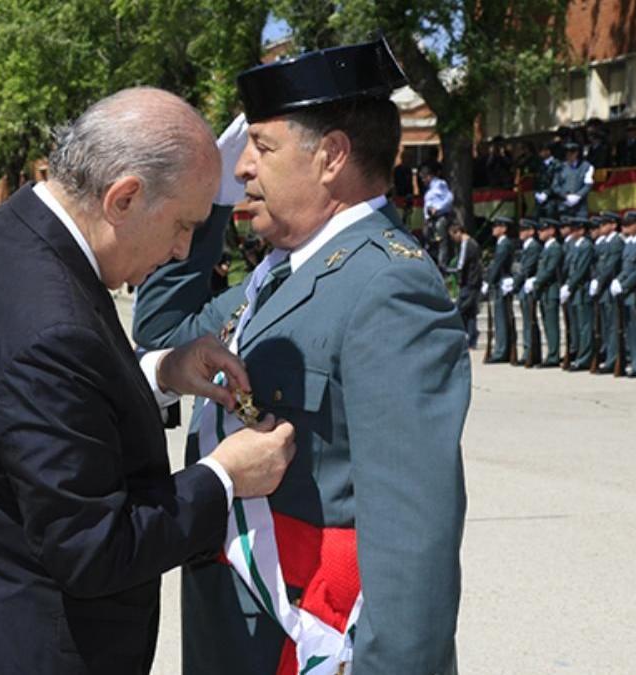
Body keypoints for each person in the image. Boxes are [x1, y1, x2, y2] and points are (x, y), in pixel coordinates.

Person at [0, 88, 300, 674]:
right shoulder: (52, 322)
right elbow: (94, 547)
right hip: (19, 649)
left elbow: (29, 406)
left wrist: (162, 370)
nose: (184, 251)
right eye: (183, 225)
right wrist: (224, 478)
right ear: (124, 197)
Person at [133, 38, 469, 674]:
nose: (243, 169)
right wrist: (207, 208)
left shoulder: (386, 286)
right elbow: (161, 332)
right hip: (235, 629)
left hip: (307, 639)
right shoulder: (280, 277)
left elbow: (411, 532)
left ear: (332, 157)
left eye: (261, 148)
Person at [610, 212, 636, 376]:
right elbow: (625, 268)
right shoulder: (629, 244)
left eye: (630, 224)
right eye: (625, 224)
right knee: (631, 330)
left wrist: (624, 285)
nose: (626, 227)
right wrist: (618, 280)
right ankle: (635, 361)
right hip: (629, 294)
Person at [591, 212, 624, 372]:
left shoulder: (616, 242)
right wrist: (595, 279)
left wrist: (599, 281)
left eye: (604, 224)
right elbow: (597, 265)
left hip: (610, 288)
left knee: (613, 326)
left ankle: (613, 360)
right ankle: (608, 356)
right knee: (606, 326)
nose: (601, 227)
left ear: (613, 225)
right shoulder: (603, 243)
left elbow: (610, 266)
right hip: (603, 289)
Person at [483, 216, 518, 363]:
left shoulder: (504, 244)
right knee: (500, 318)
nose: (494, 229)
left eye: (497, 226)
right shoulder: (502, 243)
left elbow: (498, 265)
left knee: (501, 319)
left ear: (503, 228)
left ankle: (501, 351)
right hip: (501, 283)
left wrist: (488, 281)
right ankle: (503, 349)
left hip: (501, 284)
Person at [564, 217, 596, 370]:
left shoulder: (585, 246)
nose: (571, 232)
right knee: (577, 326)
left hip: (582, 290)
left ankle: (585, 358)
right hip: (576, 290)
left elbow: (581, 270)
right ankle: (578, 355)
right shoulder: (575, 245)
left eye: (575, 229)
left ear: (582, 230)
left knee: (585, 326)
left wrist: (569, 286)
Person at [532, 219, 564, 367]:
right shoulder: (546, 248)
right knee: (546, 323)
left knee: (552, 325)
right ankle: (551, 353)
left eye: (543, 230)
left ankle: (553, 355)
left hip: (551, 290)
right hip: (544, 291)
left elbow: (550, 269)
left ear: (551, 231)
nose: (540, 233)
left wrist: (537, 281)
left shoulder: (555, 248)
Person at [448, 219, 483, 349]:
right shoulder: (469, 244)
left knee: (460, 310)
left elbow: (462, 265)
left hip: (470, 283)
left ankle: (468, 336)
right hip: (470, 283)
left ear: (458, 232)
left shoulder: (467, 245)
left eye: (453, 236)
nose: (453, 239)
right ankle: (471, 338)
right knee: (470, 313)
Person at [515, 218, 543, 365]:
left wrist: (514, 284)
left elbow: (526, 268)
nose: (520, 233)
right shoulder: (527, 246)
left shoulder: (533, 247)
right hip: (523, 287)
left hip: (528, 288)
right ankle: (528, 351)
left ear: (531, 231)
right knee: (527, 322)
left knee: (530, 322)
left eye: (524, 230)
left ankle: (531, 353)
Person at [421, 163, 455, 269]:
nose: (422, 181)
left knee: (441, 242)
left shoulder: (440, 184)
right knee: (430, 241)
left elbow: (449, 198)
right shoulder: (430, 188)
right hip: (430, 220)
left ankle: (442, 265)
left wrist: (438, 208)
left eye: (423, 178)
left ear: (429, 176)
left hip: (439, 218)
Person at [552, 142, 594, 218]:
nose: (569, 155)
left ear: (577, 153)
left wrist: (578, 196)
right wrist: (565, 196)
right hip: (564, 205)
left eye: (572, 152)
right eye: (567, 153)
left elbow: (588, 184)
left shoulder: (586, 166)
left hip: (580, 207)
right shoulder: (560, 167)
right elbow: (555, 185)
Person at [531, 143, 560, 218]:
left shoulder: (557, 164)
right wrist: (536, 193)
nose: (540, 153)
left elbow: (556, 182)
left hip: (552, 198)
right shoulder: (539, 164)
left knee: (550, 219)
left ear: (548, 151)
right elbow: (536, 180)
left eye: (542, 151)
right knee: (535, 217)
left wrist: (546, 194)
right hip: (540, 197)